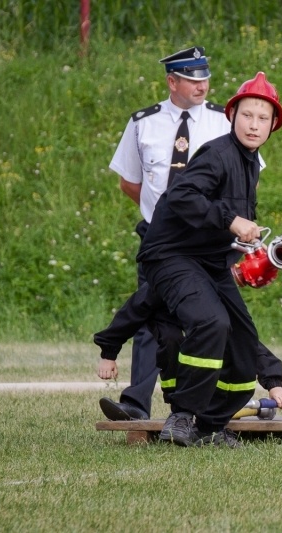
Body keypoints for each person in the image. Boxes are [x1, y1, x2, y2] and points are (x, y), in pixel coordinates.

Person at [135, 71, 282, 447]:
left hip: (209, 261)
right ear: (232, 116)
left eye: (262, 118)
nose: (254, 124)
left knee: (242, 336)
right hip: (172, 255)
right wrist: (231, 220)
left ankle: (212, 425)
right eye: (247, 115)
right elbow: (183, 197)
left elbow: (224, 220)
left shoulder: (251, 162)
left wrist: (247, 246)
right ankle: (182, 416)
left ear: (273, 125)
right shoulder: (217, 154)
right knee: (211, 322)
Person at [101, 46, 232, 421]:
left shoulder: (226, 121)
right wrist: (164, 221)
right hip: (160, 243)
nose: (201, 85)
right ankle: (135, 404)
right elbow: (130, 182)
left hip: (208, 242)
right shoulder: (144, 122)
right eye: (192, 79)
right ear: (171, 81)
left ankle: (203, 409)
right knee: (150, 315)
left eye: (204, 78)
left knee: (210, 321)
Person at [94, 283, 282, 410]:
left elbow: (246, 340)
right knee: (171, 339)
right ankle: (177, 408)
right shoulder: (162, 283)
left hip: (212, 351)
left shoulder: (216, 290)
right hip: (169, 326)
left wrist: (273, 383)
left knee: (221, 334)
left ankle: (213, 402)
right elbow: (130, 314)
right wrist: (108, 353)